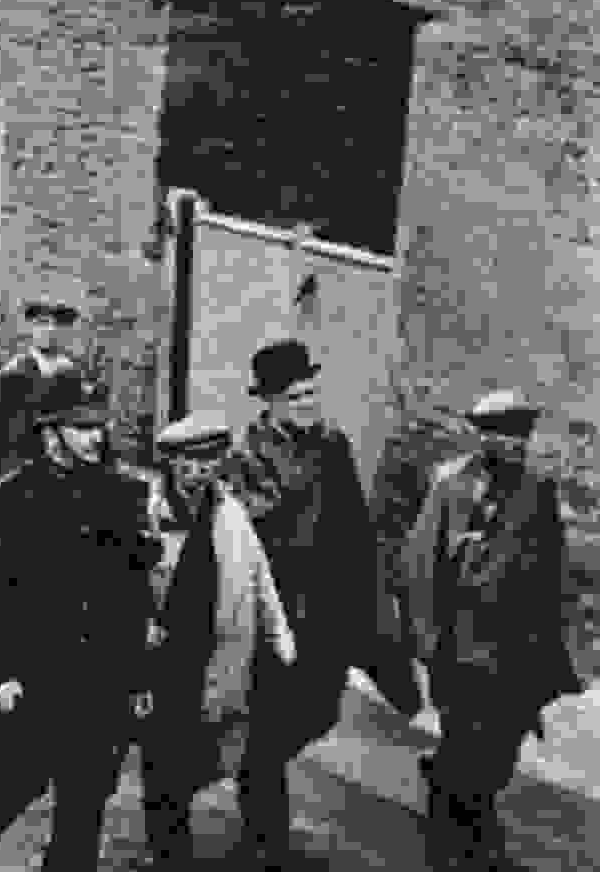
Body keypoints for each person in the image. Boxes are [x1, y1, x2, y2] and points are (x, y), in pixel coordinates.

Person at [0, 389, 157, 872]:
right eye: (80, 426)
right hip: (30, 679)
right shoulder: (14, 496)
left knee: (83, 813)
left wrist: (138, 677)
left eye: (98, 425)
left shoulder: (122, 494)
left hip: (101, 681)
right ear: (50, 432)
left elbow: (134, 594)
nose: (94, 436)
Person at [402, 390, 583, 871]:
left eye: (522, 437)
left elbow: (553, 572)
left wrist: (555, 646)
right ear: (483, 437)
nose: (517, 447)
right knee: (469, 749)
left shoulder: (538, 489)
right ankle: (464, 845)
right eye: (506, 437)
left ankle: (447, 786)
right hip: (459, 648)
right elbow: (418, 565)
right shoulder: (450, 485)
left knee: (499, 753)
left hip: (516, 652)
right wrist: (427, 640)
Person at [223, 338, 384, 864]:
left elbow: (356, 529)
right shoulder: (245, 458)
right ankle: (265, 836)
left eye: (313, 393)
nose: (309, 405)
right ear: (268, 402)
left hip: (327, 612)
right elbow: (250, 534)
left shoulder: (333, 445)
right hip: (275, 615)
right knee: (268, 729)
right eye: (296, 397)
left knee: (319, 712)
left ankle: (255, 787)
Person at [138, 413, 296, 870]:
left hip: (222, 652)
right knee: (163, 767)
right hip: (164, 659)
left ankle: (262, 847)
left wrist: (279, 631)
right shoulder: (147, 512)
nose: (201, 472)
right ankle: (170, 855)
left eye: (210, 462)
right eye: (191, 462)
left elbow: (260, 574)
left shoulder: (230, 512)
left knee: (229, 750)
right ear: (171, 462)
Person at [0, 298, 87, 486]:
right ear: (31, 328)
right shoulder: (13, 374)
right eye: (42, 323)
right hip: (20, 473)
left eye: (57, 324)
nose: (50, 330)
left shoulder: (72, 375)